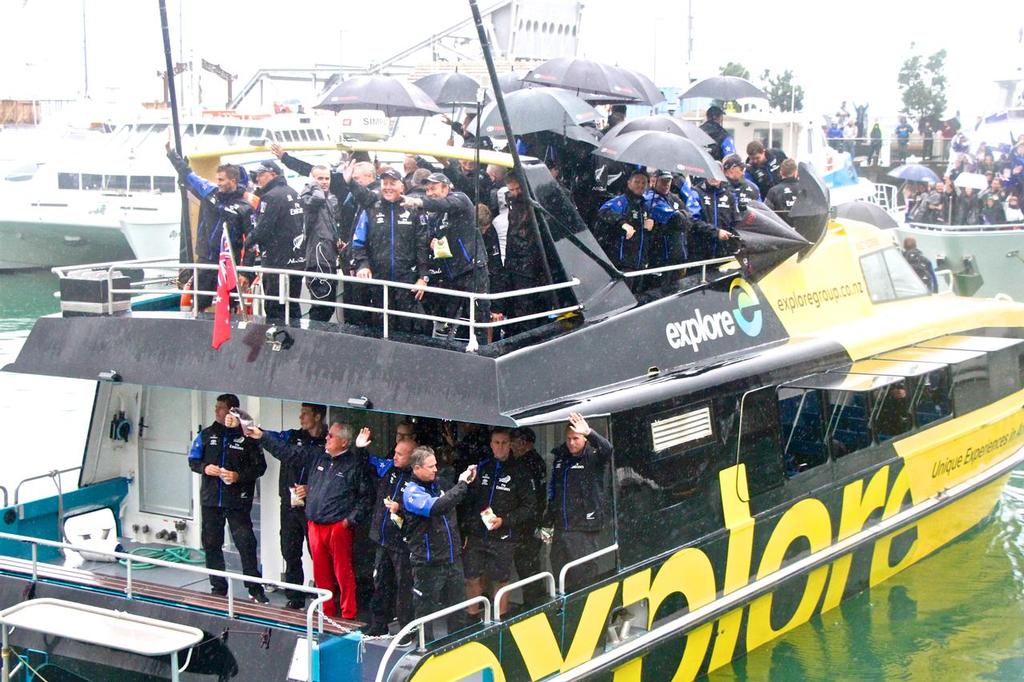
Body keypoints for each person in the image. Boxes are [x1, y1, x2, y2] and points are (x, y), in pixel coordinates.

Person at [249, 421, 374, 620]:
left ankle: (348, 614)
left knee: (343, 573)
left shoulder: (354, 463)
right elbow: (288, 453)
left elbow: (367, 496)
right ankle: (327, 612)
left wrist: (349, 521)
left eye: (331, 436)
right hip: (315, 524)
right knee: (321, 572)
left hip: (338, 527)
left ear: (344, 442)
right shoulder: (318, 456)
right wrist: (262, 437)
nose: (326, 438)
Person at [187, 394, 268, 602]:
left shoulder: (247, 437)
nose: (216, 411)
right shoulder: (206, 435)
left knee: (246, 543)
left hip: (237, 501)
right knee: (212, 544)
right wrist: (206, 468)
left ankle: (255, 589)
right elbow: (193, 461)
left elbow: (260, 467)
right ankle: (218, 588)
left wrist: (238, 476)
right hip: (211, 500)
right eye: (216, 407)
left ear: (233, 410)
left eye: (221, 408)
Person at [165, 144, 256, 310]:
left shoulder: (245, 207)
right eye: (217, 179)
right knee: (199, 303)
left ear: (233, 181)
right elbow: (187, 174)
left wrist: (245, 272)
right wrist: (171, 154)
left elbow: (251, 242)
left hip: (229, 263)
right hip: (206, 259)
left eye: (221, 180)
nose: (218, 183)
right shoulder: (209, 193)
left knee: (230, 305)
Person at [402, 172, 490, 341]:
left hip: (472, 270)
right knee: (450, 321)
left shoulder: (460, 199)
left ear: (446, 187)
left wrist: (418, 201)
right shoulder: (436, 215)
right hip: (451, 274)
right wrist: (433, 241)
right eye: (426, 190)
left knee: (478, 319)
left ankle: (481, 354)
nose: (429, 193)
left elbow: (445, 204)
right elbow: (433, 236)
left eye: (433, 188)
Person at [463, 428, 537, 617]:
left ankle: (500, 619)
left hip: (504, 536)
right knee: (472, 577)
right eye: (496, 442)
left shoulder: (520, 472)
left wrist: (505, 521)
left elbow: (529, 507)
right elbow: (470, 499)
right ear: (491, 444)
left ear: (510, 444)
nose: (500, 447)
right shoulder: (482, 467)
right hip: (478, 533)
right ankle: (471, 618)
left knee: (500, 580)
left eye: (504, 443)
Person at [259, 403, 327, 610]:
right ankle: (294, 597)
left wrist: (311, 488)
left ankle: (324, 598)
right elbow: (268, 436)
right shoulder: (291, 436)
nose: (300, 418)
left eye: (305, 414)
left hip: (314, 508)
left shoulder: (328, 442)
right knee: (290, 551)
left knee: (318, 554)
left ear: (317, 416)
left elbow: (333, 477)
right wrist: (253, 430)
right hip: (289, 505)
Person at [402, 447, 477, 634]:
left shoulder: (439, 484)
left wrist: (466, 478)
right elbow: (437, 507)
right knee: (425, 611)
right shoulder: (411, 492)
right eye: (430, 466)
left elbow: (456, 498)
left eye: (436, 465)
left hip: (452, 558)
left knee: (457, 607)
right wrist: (461, 484)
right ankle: (423, 647)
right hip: (428, 562)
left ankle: (458, 642)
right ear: (417, 468)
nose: (435, 469)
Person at [349, 166, 431, 334]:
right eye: (384, 183)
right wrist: (363, 265)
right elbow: (358, 242)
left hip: (407, 280)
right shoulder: (371, 208)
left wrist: (423, 277)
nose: (387, 187)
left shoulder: (414, 209)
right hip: (380, 280)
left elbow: (422, 245)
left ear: (402, 186)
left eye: (392, 183)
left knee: (409, 325)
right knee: (381, 324)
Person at [542, 413, 613, 593]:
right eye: (569, 439)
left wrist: (589, 432)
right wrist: (546, 524)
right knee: (561, 579)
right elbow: (554, 493)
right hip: (561, 529)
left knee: (585, 580)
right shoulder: (560, 459)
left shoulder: (593, 457)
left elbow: (607, 449)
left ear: (584, 439)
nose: (572, 443)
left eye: (576, 438)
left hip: (584, 530)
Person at [361, 429, 416, 636]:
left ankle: (406, 630)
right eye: (395, 452)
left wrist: (399, 508)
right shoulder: (388, 468)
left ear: (411, 457)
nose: (394, 457)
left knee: (404, 588)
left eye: (399, 454)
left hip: (403, 544)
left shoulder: (417, 479)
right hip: (383, 540)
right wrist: (361, 447)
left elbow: (423, 509)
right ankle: (378, 625)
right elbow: (367, 461)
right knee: (380, 582)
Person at [644, 171, 730, 295]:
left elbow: (688, 218)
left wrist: (681, 215)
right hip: (660, 256)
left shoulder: (673, 197)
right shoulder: (650, 198)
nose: (667, 184)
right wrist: (680, 215)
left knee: (675, 291)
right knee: (656, 292)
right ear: (653, 181)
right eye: (663, 181)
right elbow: (676, 219)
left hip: (679, 253)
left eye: (669, 181)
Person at [242, 160, 305, 322]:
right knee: (292, 303)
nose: (258, 179)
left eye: (261, 175)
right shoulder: (293, 192)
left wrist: (248, 241)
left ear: (273, 174)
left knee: (274, 305)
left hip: (277, 261)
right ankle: (295, 338)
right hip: (296, 260)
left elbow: (263, 228)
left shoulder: (270, 197)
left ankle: (278, 341)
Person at [490, 174, 549, 337]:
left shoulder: (530, 205)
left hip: (528, 261)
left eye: (517, 189)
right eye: (511, 190)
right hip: (515, 260)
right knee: (517, 303)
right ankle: (518, 332)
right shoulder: (513, 204)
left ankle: (524, 334)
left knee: (525, 304)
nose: (515, 193)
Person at [594, 169, 654, 293]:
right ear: (629, 183)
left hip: (640, 263)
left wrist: (652, 224)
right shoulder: (622, 200)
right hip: (623, 263)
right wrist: (623, 223)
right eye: (637, 182)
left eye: (643, 183)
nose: (640, 185)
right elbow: (603, 211)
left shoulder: (645, 205)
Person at [509, 426, 547, 607]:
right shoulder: (539, 461)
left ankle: (533, 603)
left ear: (523, 443)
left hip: (527, 523)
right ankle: (536, 599)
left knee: (526, 564)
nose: (511, 447)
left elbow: (527, 499)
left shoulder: (523, 464)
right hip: (538, 520)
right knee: (533, 562)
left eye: (513, 443)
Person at [300, 166, 342, 323]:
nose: (324, 182)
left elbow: (329, 226)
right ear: (312, 179)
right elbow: (314, 201)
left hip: (328, 257)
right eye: (320, 178)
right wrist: (313, 186)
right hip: (317, 259)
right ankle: (314, 338)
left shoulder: (327, 200)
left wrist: (336, 240)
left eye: (327, 178)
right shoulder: (310, 198)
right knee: (321, 305)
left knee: (327, 305)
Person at [764, 159, 800, 225]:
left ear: (781, 172)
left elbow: (766, 214)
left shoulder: (773, 191)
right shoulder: (804, 190)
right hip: (802, 231)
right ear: (796, 172)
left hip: (781, 231)